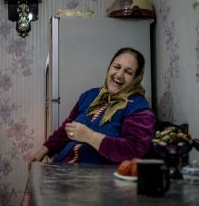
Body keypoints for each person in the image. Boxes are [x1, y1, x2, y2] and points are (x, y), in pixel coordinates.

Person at [28, 47, 156, 169]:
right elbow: (66, 129)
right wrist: (43, 151)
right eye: (116, 67)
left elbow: (133, 150)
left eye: (128, 72)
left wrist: (89, 136)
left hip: (98, 181)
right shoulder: (90, 95)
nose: (119, 75)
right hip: (64, 167)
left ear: (136, 79)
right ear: (109, 68)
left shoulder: (139, 109)